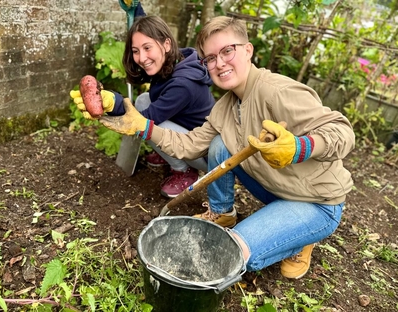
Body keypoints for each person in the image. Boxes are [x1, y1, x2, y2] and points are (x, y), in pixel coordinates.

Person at [95, 15, 356, 279]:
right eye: (210, 58)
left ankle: (298, 238)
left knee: (231, 251)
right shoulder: (226, 107)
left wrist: (299, 147)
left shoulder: (277, 91)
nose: (219, 63)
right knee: (220, 142)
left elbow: (342, 131)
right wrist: (144, 127)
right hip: (276, 189)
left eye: (227, 51)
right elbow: (190, 144)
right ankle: (223, 213)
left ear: (247, 50)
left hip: (316, 201)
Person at [71, 14, 215, 198]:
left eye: (147, 48)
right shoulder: (177, 59)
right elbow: (144, 22)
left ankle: (184, 171)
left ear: (167, 44)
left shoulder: (183, 84)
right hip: (190, 133)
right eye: (136, 50)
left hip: (204, 154)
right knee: (143, 100)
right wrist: (134, 8)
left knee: (147, 125)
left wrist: (112, 102)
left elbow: (142, 120)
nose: (141, 57)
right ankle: (168, 155)